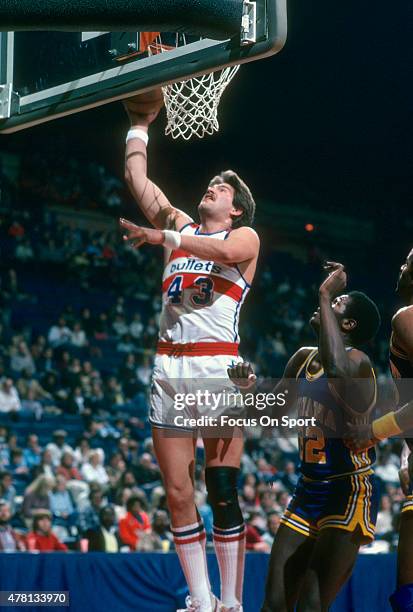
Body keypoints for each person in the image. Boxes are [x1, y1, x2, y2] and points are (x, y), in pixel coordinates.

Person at [120, 88, 259, 612]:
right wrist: (139, 125)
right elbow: (138, 180)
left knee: (221, 488)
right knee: (178, 493)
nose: (213, 187)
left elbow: (221, 251)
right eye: (212, 183)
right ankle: (200, 601)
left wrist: (165, 240)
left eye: (222, 188)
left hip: (218, 366)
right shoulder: (179, 227)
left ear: (236, 206)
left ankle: (232, 601)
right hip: (169, 367)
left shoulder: (246, 238)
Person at [230, 262, 381, 612]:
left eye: (338, 304)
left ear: (348, 324)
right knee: (274, 604)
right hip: (308, 488)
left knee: (312, 605)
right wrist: (248, 389)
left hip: (347, 491)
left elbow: (337, 369)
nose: (324, 305)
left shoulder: (358, 363)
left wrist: (326, 293)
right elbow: (271, 412)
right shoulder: (302, 359)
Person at [345, 248, 413, 612]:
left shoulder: (407, 315)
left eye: (408, 262)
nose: (401, 267)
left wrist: (375, 431)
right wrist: (405, 450)